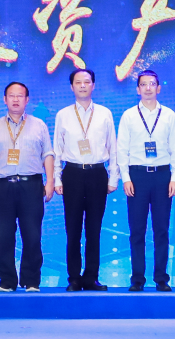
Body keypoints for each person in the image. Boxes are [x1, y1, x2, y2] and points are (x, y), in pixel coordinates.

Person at [0, 82, 55, 292]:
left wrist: (50, 181)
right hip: (2, 186)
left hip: (31, 186)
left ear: (27, 100)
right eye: (11, 95)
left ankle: (31, 281)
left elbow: (48, 154)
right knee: (3, 236)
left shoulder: (39, 125)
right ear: (4, 99)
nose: (15, 99)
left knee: (32, 235)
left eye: (19, 96)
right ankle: (7, 281)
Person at [53, 69, 118, 292]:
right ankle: (73, 277)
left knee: (94, 229)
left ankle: (91, 277)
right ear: (71, 86)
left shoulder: (104, 113)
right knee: (72, 228)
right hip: (72, 173)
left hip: (97, 173)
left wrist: (114, 177)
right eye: (78, 82)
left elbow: (113, 146)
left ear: (93, 85)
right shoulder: (63, 114)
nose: (82, 85)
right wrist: (57, 179)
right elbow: (57, 149)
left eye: (87, 82)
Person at [117, 69, 175, 292]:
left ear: (159, 88)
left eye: (152, 83)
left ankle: (161, 278)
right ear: (138, 89)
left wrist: (174, 177)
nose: (148, 88)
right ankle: (137, 279)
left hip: (163, 175)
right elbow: (121, 149)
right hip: (137, 176)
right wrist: (126, 178)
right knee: (137, 230)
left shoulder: (169, 115)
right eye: (143, 84)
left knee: (161, 229)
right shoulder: (129, 115)